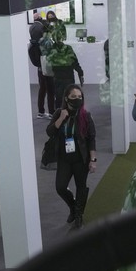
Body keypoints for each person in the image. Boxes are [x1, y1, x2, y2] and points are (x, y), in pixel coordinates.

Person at [46, 84, 97, 228]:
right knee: (60, 187)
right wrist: (61, 119)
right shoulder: (59, 113)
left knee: (81, 187)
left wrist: (93, 160)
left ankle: (79, 214)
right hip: (64, 159)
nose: (77, 99)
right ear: (66, 98)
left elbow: (91, 139)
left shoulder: (85, 116)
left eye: (79, 97)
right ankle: (73, 207)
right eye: (73, 97)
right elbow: (49, 132)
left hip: (81, 159)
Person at [44, 19, 84, 104]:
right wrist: (80, 73)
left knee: (59, 98)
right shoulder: (68, 48)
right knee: (70, 97)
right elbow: (75, 63)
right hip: (68, 76)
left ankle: (59, 114)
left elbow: (47, 65)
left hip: (57, 77)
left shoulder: (51, 49)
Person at [29, 11, 54, 119]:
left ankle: (41, 111)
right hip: (46, 66)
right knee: (50, 89)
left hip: (39, 65)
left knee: (42, 88)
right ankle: (52, 112)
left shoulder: (32, 30)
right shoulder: (45, 40)